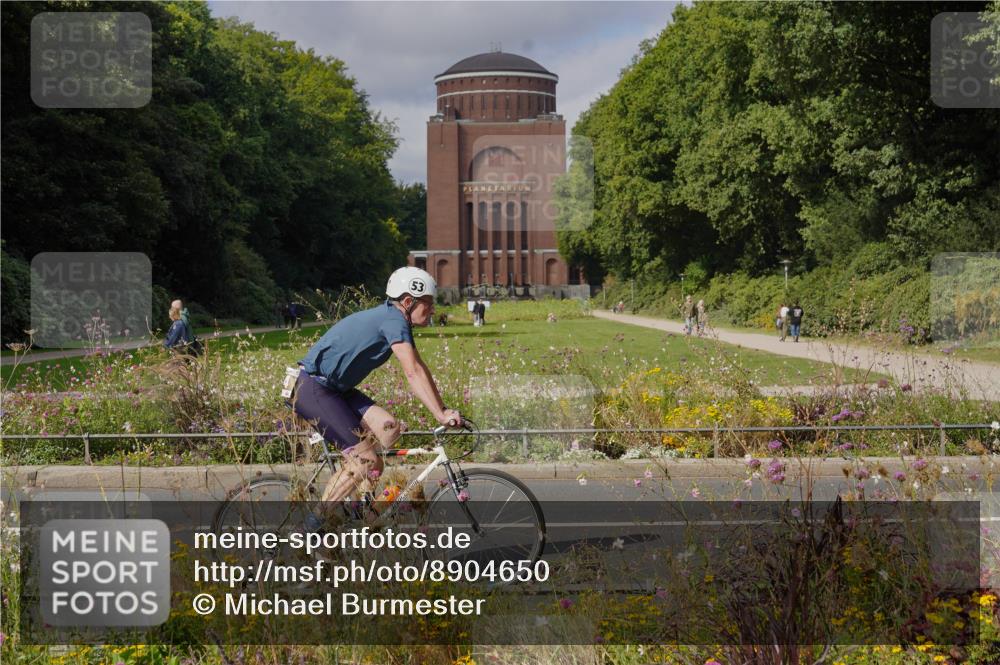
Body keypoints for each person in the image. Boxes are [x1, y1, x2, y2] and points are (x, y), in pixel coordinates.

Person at [292, 267, 462, 532]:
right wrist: (440, 416)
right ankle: (309, 529)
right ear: (408, 302)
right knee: (366, 461)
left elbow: (419, 366)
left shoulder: (395, 320)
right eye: (428, 303)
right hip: (314, 387)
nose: (432, 310)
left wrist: (442, 408)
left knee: (388, 428)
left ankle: (358, 508)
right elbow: (411, 372)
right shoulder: (393, 321)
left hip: (336, 389)